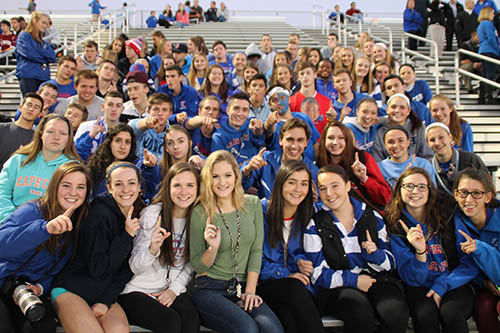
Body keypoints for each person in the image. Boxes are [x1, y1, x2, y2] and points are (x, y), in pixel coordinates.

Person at [304, 164, 408, 332]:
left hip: (376, 279)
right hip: (338, 287)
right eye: (323, 188)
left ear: (347, 186)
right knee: (359, 312)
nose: (329, 194)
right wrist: (354, 281)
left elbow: (390, 262)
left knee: (395, 312)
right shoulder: (315, 225)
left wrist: (376, 255)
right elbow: (318, 274)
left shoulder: (371, 216)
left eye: (335, 186)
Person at [189, 150, 284, 333]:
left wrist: (250, 292)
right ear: (208, 179)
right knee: (247, 329)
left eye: (227, 175)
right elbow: (198, 266)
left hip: (241, 287)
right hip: (209, 288)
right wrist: (212, 248)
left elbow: (256, 251)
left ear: (236, 176)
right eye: (215, 176)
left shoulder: (253, 203)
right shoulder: (201, 211)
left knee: (272, 329)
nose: (222, 182)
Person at [52, 161, 144, 332]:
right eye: (118, 184)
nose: (126, 189)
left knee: (119, 330)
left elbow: (128, 268)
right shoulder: (99, 214)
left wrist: (105, 300)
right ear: (109, 187)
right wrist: (126, 237)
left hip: (102, 292)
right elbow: (98, 268)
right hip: (73, 288)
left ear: (139, 186)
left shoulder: (139, 214)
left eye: (131, 183)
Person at [0, 161, 91, 333]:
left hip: (28, 293)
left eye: (80, 187)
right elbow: (2, 245)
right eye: (66, 185)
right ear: (55, 186)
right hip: (4, 281)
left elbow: (57, 270)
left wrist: (40, 287)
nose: (73, 193)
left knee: (43, 326)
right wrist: (45, 229)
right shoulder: (32, 210)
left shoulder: (79, 224)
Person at [386, 167, 478, 333]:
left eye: (422, 186)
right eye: (409, 186)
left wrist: (443, 284)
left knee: (451, 312)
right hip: (419, 287)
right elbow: (413, 279)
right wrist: (420, 252)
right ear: (400, 190)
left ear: (430, 190)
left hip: (454, 281)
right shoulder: (395, 225)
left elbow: (469, 263)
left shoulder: (448, 216)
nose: (415, 191)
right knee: (425, 316)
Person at [119, 163, 200, 333]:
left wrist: (173, 290)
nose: (184, 192)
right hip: (138, 289)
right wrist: (152, 249)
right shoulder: (152, 215)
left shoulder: (198, 217)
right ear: (168, 188)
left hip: (169, 288)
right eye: (177, 185)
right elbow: (135, 266)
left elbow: (190, 264)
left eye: (190, 185)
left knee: (190, 320)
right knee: (170, 323)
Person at [257, 160, 325, 333]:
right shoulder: (260, 212)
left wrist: (304, 262)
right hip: (267, 285)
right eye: (292, 182)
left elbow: (317, 255)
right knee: (293, 287)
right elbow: (255, 260)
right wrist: (288, 274)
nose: (298, 190)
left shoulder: (311, 215)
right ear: (280, 183)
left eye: (304, 184)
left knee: (289, 317)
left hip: (300, 292)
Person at [0, 114, 78, 225]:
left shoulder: (74, 167)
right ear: (41, 133)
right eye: (50, 132)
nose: (56, 137)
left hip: (51, 227)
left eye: (63, 133)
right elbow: (2, 192)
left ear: (69, 138)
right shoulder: (18, 159)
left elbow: (76, 202)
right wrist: (10, 220)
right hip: (11, 223)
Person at [453, 168, 500, 332]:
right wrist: (484, 282)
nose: (469, 199)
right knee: (483, 306)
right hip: (485, 286)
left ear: (488, 197)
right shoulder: (455, 223)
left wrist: (480, 248)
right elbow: (462, 264)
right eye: (464, 192)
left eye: (476, 193)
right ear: (456, 194)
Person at [317, 121, 391, 208]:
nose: (335, 142)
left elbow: (386, 197)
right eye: (330, 137)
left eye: (341, 138)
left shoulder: (363, 158)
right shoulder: (319, 163)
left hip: (365, 213)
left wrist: (364, 179)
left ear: (347, 140)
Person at [241, 118, 319, 200]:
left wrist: (313, 204)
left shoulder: (313, 172)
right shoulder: (266, 159)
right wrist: (247, 170)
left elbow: (319, 203)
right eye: (290, 139)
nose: (294, 145)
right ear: (280, 140)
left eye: (300, 140)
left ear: (306, 143)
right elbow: (240, 185)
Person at [425, 122, 487, 195]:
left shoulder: (471, 159)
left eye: (441, 137)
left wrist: (460, 179)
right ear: (427, 143)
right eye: (432, 140)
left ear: (450, 137)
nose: (437, 143)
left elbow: (486, 186)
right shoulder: (428, 166)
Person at [372, 93, 433, 162]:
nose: (397, 110)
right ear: (387, 109)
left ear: (408, 111)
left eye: (402, 107)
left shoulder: (418, 127)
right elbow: (377, 160)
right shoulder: (380, 131)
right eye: (393, 107)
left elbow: (427, 155)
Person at [211, 92, 265, 166]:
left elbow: (261, 140)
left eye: (245, 110)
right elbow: (219, 166)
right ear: (227, 110)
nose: (240, 113)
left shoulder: (252, 125)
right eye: (236, 108)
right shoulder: (218, 136)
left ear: (249, 112)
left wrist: (259, 130)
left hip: (256, 174)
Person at [74, 91, 125, 162]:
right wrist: (89, 137)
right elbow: (75, 153)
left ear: (122, 109)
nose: (114, 109)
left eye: (118, 106)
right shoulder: (86, 126)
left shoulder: (125, 131)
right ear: (103, 107)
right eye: (110, 105)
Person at [15, 11, 56, 96]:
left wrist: (40, 53)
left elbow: (52, 57)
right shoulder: (24, 36)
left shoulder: (43, 42)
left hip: (43, 77)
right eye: (43, 23)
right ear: (35, 22)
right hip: (28, 76)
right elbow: (30, 54)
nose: (45, 26)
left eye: (47, 24)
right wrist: (44, 59)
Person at [0, 93, 43, 170]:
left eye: (36, 107)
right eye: (29, 105)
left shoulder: (37, 139)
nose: (31, 109)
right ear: (20, 107)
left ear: (40, 114)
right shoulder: (1, 128)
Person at [477, 6, 500, 104]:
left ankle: (482, 97)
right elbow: (491, 38)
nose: (493, 15)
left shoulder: (481, 24)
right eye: (492, 13)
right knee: (489, 75)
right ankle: (489, 97)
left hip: (483, 50)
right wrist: (497, 49)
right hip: (490, 51)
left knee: (485, 75)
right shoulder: (489, 24)